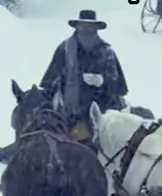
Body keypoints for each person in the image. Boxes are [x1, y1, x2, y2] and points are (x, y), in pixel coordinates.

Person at [40, 9, 128, 143]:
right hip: (69, 115)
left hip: (102, 114)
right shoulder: (64, 49)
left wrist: (103, 80)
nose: (87, 29)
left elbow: (120, 86)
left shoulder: (107, 52)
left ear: (97, 28)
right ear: (77, 26)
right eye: (83, 25)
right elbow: (49, 81)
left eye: (91, 26)